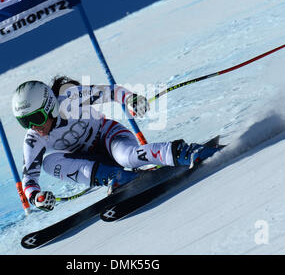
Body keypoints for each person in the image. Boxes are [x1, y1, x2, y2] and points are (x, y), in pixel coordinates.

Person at [12, 76, 215, 212]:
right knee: (49, 163)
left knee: (127, 157)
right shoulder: (33, 139)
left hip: (109, 137)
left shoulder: (71, 98)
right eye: (24, 122)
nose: (33, 126)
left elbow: (112, 92)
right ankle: (116, 177)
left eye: (37, 118)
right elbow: (29, 177)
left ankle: (187, 152)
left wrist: (131, 99)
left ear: (50, 107)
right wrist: (36, 197)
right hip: (90, 162)